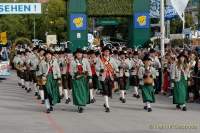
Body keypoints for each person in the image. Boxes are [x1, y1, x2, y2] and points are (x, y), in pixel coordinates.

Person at [96, 46, 119, 112]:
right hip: (103, 77)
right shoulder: (100, 59)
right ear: (103, 52)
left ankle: (105, 103)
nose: (107, 52)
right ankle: (107, 106)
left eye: (108, 51)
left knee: (109, 92)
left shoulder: (112, 59)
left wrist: (116, 70)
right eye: (106, 51)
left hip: (111, 77)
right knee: (105, 91)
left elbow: (116, 66)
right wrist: (101, 69)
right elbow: (96, 67)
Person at [70, 48, 91, 113]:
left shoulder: (86, 61)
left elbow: (89, 69)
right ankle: (79, 105)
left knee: (83, 92)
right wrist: (75, 75)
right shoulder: (73, 62)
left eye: (80, 53)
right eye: (78, 53)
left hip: (84, 78)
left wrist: (90, 78)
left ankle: (82, 104)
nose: (79, 54)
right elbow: (71, 71)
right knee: (77, 92)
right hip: (76, 79)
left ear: (82, 54)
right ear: (76, 54)